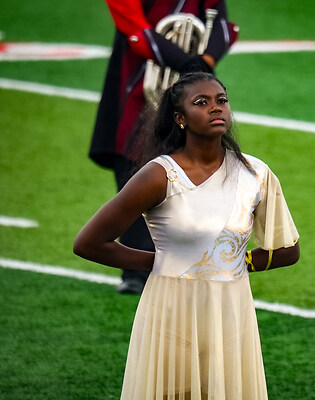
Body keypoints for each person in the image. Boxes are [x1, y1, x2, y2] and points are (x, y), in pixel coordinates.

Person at [74, 72, 300, 399]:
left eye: (221, 100)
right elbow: (89, 243)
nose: (216, 108)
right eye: (202, 102)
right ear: (180, 118)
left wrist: (234, 262)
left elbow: (287, 251)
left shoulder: (255, 174)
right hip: (171, 309)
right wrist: (160, 261)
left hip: (230, 311)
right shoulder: (159, 175)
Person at [90, 0, 239, 294]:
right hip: (138, 87)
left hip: (189, 92)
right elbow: (135, 30)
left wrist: (204, 62)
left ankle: (191, 261)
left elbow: (223, 27)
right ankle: (135, 271)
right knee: (133, 169)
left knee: (191, 171)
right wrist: (188, 63)